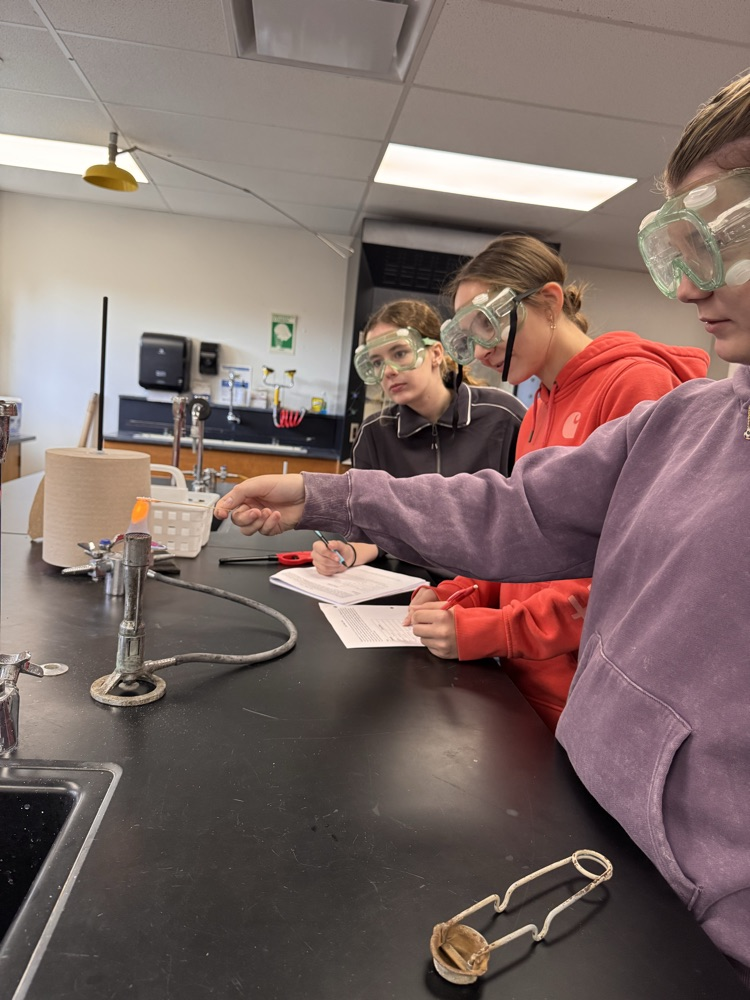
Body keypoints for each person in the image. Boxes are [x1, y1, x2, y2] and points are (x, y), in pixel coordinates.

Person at [215, 71, 750, 986]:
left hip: (708, 928)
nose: (691, 284)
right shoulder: (690, 418)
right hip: (588, 827)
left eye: (726, 231)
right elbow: (523, 511)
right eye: (678, 247)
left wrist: (500, 627)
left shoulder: (640, 389)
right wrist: (327, 498)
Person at [401, 234, 709, 731]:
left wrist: (497, 630)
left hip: (584, 709)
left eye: (489, 323)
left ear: (548, 301)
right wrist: (462, 593)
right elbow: (525, 539)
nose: (481, 349)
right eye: (468, 335)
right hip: (520, 688)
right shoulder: (536, 408)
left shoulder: (636, 386)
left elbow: (631, 580)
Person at [311, 298, 525, 580]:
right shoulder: (375, 433)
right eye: (376, 362)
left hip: (489, 587)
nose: (388, 371)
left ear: (436, 353)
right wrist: (348, 553)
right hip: (406, 587)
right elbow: (373, 531)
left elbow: (528, 520)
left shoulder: (503, 417)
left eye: (399, 353)